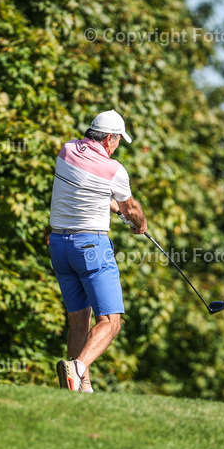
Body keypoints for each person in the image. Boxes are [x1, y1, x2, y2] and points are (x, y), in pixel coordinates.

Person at [47, 109, 147, 393]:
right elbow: (131, 209)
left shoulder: (67, 150)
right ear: (109, 138)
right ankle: (77, 368)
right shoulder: (114, 170)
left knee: (79, 320)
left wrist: (108, 203)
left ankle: (82, 389)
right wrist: (139, 224)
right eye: (117, 140)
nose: (117, 146)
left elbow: (83, 188)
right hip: (91, 247)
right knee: (111, 322)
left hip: (59, 246)